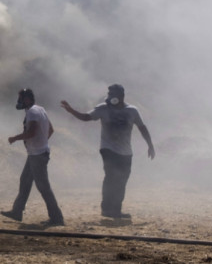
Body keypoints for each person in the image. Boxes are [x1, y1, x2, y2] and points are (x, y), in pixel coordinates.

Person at [60, 83, 155, 220]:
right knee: (111, 176)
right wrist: (71, 110)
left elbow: (142, 127)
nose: (110, 97)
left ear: (121, 96)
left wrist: (150, 145)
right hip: (108, 149)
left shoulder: (132, 111)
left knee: (122, 180)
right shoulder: (103, 108)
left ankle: (116, 210)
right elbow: (87, 117)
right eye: (109, 94)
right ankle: (106, 208)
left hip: (126, 151)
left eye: (113, 94)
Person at [1, 88, 65, 226]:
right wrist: (42, 143)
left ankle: (57, 218)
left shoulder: (32, 112)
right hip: (36, 153)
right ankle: (17, 211)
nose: (19, 101)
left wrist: (15, 138)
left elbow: (31, 133)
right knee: (25, 180)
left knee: (43, 187)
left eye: (21, 98)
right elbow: (51, 130)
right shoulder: (40, 109)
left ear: (27, 99)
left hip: (38, 155)